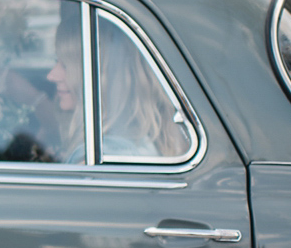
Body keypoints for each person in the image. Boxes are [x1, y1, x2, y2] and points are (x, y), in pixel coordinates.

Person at [46, 11, 187, 161]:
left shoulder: (100, 157)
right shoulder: (137, 141)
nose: (51, 75)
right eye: (56, 61)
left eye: (66, 65)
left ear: (103, 76)